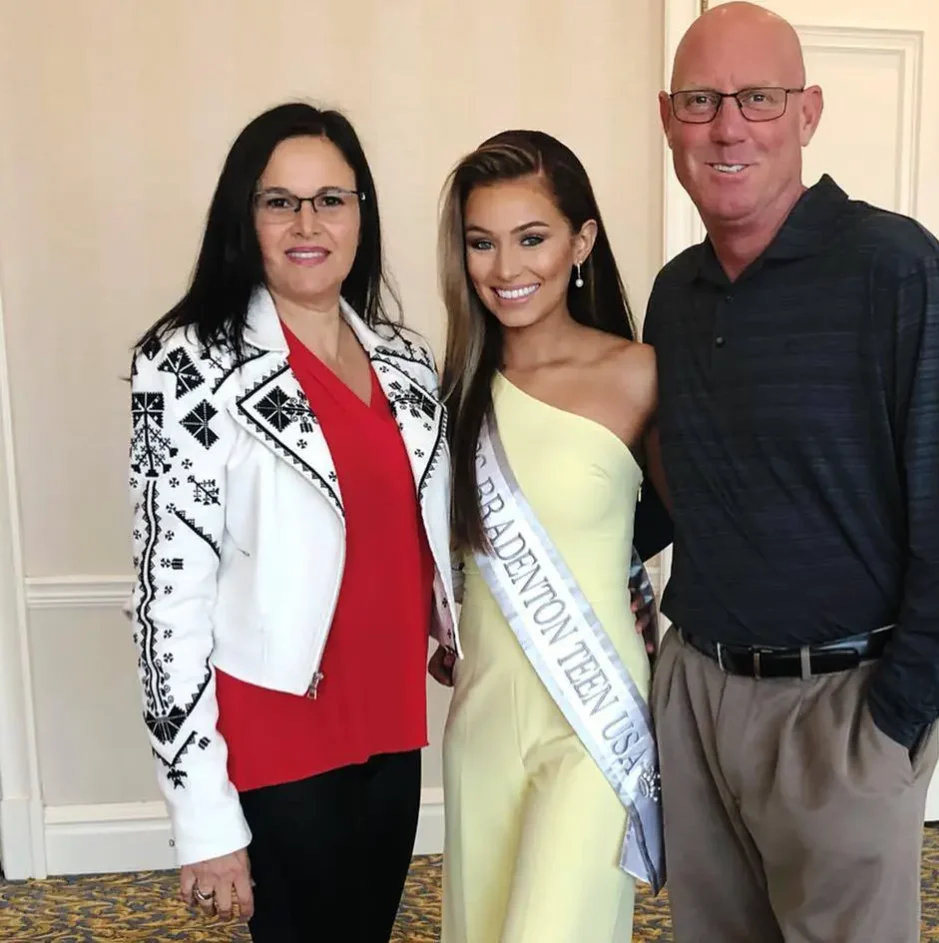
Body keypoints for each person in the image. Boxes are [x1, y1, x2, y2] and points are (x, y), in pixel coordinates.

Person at [634, 3, 939, 942]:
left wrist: (895, 719)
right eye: (701, 100)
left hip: (844, 710)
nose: (728, 126)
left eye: (758, 99)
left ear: (807, 113)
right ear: (667, 117)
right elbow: (661, 496)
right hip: (697, 694)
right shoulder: (675, 295)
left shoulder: (903, 273)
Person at [127, 102, 458, 941]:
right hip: (276, 726)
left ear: (361, 215)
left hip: (390, 717)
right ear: (246, 217)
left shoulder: (405, 359)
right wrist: (204, 819)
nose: (307, 223)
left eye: (331, 199)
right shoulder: (186, 362)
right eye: (279, 201)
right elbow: (166, 602)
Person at [429, 130, 666, 943]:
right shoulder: (451, 394)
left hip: (591, 715)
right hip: (484, 716)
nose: (506, 268)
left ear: (582, 241)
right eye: (482, 243)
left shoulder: (639, 373)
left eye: (531, 238)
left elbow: (698, 527)